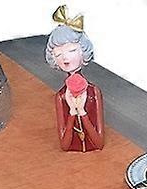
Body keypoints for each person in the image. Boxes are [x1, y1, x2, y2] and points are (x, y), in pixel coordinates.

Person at [46, 6, 105, 152]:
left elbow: (99, 143)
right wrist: (72, 112)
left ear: (83, 52)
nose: (65, 58)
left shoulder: (93, 93)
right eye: (58, 54)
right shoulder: (61, 97)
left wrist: (82, 112)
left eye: (72, 50)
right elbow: (64, 146)